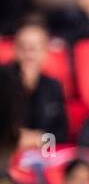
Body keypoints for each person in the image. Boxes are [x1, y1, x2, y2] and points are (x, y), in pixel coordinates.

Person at [1, 20, 67, 148]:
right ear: (14, 49)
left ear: (45, 52)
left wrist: (40, 139)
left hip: (42, 154)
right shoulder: (3, 80)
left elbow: (62, 134)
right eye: (23, 47)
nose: (29, 54)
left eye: (34, 48)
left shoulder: (53, 86)